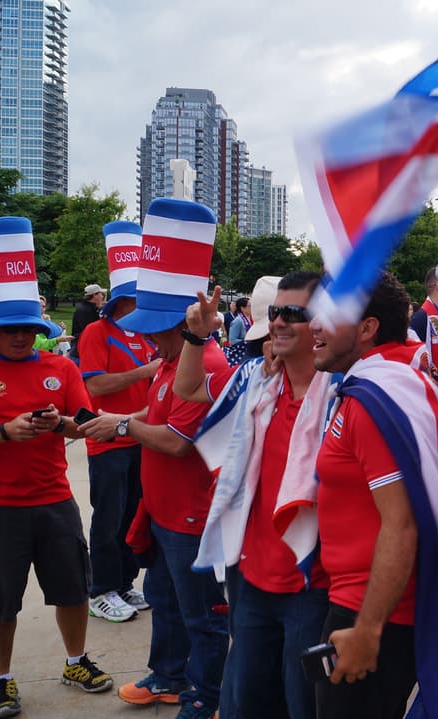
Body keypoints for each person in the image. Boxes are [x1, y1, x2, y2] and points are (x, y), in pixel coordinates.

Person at [0, 217, 113, 718]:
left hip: (54, 497)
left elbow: (86, 424)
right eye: (9, 329)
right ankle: (1, 680)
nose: (20, 337)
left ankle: (76, 660)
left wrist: (61, 423)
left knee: (73, 586)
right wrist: (2, 433)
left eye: (28, 329)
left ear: (41, 331)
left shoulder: (62, 368)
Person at [80, 199, 229, 718]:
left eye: (154, 330)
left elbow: (176, 440)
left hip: (193, 515)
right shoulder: (169, 359)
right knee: (165, 602)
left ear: (180, 326)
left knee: (203, 616)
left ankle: (203, 696)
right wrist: (117, 422)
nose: (145, 338)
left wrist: (121, 425)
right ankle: (167, 677)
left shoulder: (204, 361)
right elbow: (155, 408)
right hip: (166, 512)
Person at [175, 272, 333, 719]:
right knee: (247, 703)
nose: (279, 322)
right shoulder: (252, 380)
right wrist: (196, 336)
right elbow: (186, 390)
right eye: (275, 313)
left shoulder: (346, 393)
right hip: (251, 577)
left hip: (312, 582)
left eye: (294, 314)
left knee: (304, 705)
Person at [309, 271, 438, 718]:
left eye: (328, 314)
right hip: (375, 603)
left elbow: (402, 524)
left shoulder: (377, 398)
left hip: (371, 612)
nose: (314, 325)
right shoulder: (399, 379)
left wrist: (367, 630)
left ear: (367, 328)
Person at [80, 221, 160, 624]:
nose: (141, 307)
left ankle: (126, 581)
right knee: (108, 519)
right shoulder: (98, 332)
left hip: (139, 438)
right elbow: (95, 384)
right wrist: (144, 373)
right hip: (108, 441)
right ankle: (101, 590)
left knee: (131, 517)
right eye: (135, 300)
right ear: (120, 302)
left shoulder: (145, 337)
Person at [70, 283, 106, 362]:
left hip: (81, 350)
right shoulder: (86, 310)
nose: (102, 296)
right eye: (101, 294)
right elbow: (91, 332)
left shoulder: (86, 308)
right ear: (94, 295)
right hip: (82, 352)